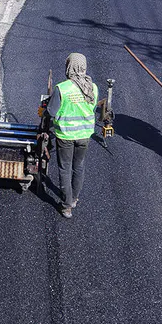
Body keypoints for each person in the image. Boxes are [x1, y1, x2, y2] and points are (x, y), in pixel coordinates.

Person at [47, 53, 97, 218]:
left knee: (65, 169)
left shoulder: (62, 89)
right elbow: (93, 109)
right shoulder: (93, 88)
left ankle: (66, 206)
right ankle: (74, 198)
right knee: (79, 166)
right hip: (85, 136)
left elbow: (51, 111)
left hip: (66, 135)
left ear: (69, 67)